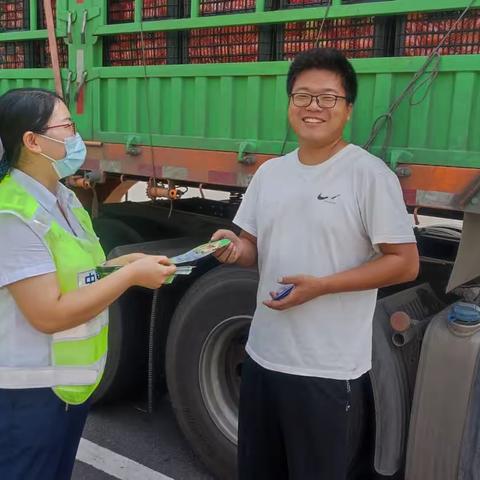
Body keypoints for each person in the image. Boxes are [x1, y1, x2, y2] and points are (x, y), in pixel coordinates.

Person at [212, 48, 419, 480]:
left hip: (326, 371)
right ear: (289, 103)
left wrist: (322, 286)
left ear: (348, 110)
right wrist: (231, 246)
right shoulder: (271, 173)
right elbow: (252, 248)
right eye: (302, 96)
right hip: (262, 358)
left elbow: (404, 263)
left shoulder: (368, 175)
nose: (313, 108)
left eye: (327, 98)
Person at [0, 88, 176, 480]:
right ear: (32, 141)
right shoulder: (12, 214)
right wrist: (129, 278)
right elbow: (48, 313)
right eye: (66, 126)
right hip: (28, 396)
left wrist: (122, 264)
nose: (75, 136)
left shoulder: (63, 197)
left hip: (66, 390)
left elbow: (83, 275)